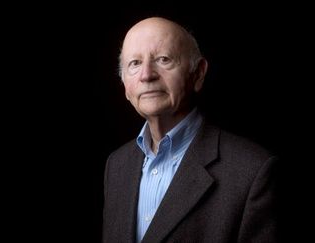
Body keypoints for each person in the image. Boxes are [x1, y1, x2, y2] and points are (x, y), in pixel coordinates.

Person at [102, 17, 278, 243]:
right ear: (125, 85)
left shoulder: (253, 171)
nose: (146, 75)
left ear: (198, 73)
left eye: (163, 59)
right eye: (134, 63)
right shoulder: (116, 165)